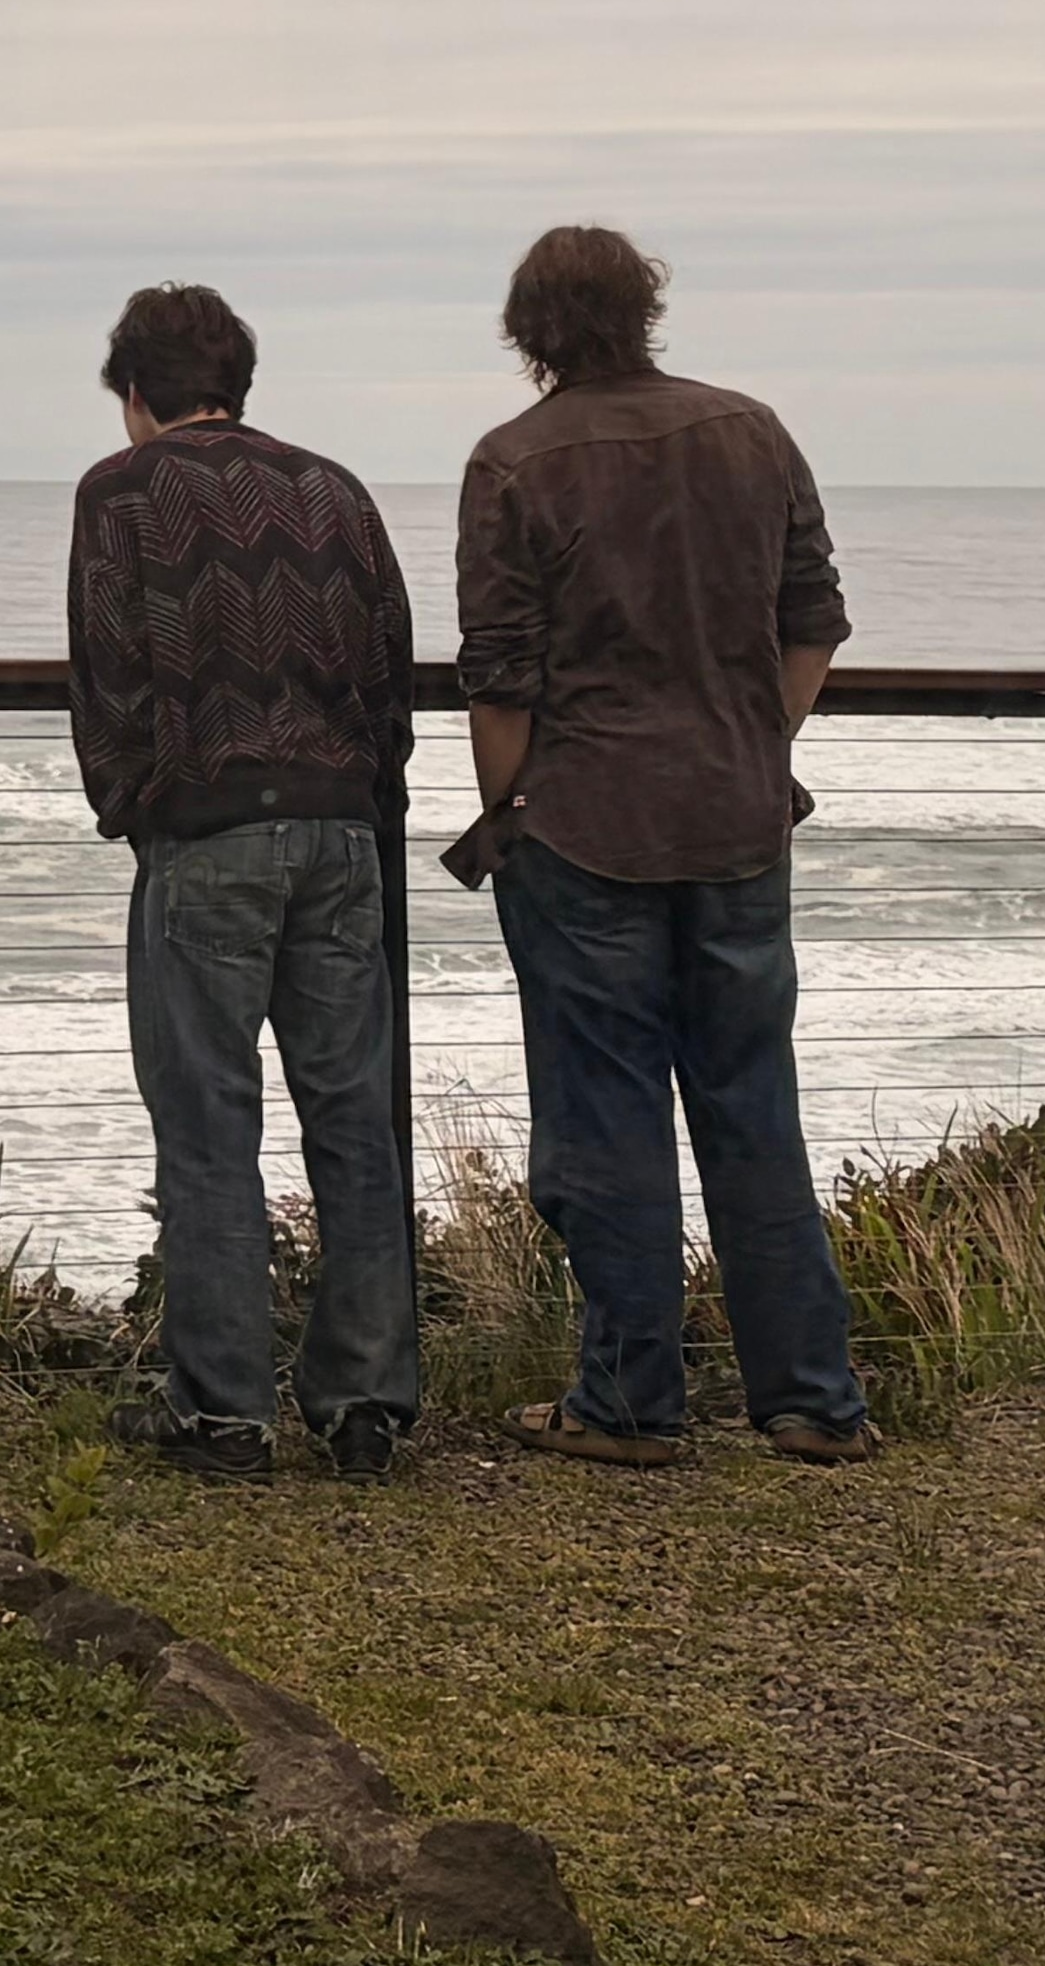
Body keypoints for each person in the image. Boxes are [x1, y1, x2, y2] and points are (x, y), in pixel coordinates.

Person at [449, 224, 877, 1466]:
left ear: (527, 333)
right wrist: (751, 737)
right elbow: (814, 625)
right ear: (644, 312)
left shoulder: (513, 463)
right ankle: (807, 1397)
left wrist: (510, 810)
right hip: (737, 818)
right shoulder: (749, 429)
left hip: (585, 827)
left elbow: (499, 683)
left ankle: (630, 1402)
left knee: (607, 1120)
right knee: (753, 1108)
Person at [65, 281, 425, 1481]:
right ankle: (364, 1401)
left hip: (209, 836)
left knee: (208, 1126)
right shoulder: (335, 489)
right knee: (351, 1121)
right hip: (338, 831)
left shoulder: (118, 494)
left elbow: (109, 675)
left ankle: (224, 1410)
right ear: (239, 383)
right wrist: (370, 813)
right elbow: (389, 676)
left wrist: (134, 812)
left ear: (133, 394)